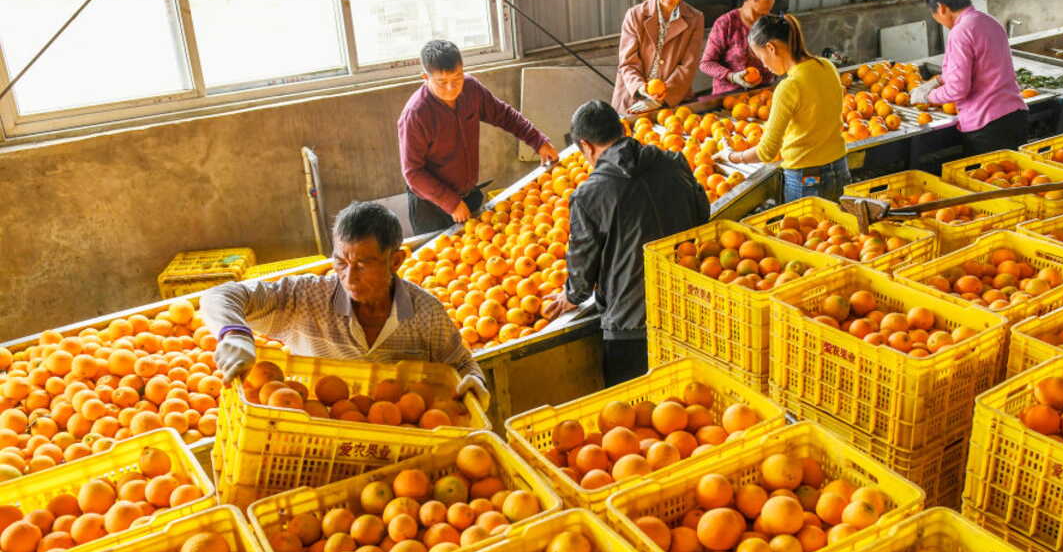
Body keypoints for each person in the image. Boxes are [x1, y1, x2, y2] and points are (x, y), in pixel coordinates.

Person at [200, 201, 488, 406]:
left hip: (398, 438)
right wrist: (234, 334)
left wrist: (474, 383)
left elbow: (461, 364)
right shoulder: (306, 298)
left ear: (396, 261)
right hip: (315, 437)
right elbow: (219, 296)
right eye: (340, 262)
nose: (349, 278)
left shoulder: (426, 313)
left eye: (363, 264)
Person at [543, 100, 708, 386]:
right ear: (623, 129)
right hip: (691, 306)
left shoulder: (589, 194)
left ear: (586, 146)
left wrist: (571, 296)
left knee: (634, 407)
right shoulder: (674, 162)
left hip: (632, 323)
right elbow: (702, 214)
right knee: (690, 398)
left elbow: (583, 259)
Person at [398, 39, 559, 234]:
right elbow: (413, 172)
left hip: (467, 194)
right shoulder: (416, 115)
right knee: (445, 251)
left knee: (478, 245)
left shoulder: (471, 89)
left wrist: (538, 141)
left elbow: (504, 115)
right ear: (425, 77)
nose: (451, 88)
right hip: (431, 206)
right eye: (442, 82)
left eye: (457, 77)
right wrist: (451, 202)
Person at [719, 14, 849, 201]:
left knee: (805, 222)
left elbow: (766, 152)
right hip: (840, 168)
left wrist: (732, 156)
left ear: (771, 48)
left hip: (807, 179)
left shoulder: (789, 87)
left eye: (761, 57)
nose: (764, 66)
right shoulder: (827, 66)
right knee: (837, 220)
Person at [910, 0, 1028, 153]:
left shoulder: (960, 32)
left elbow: (958, 89)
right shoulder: (990, 22)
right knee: (1012, 170)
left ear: (941, 8)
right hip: (1015, 116)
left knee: (986, 172)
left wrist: (927, 97)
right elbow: (982, 68)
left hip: (987, 127)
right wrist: (937, 81)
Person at [613, 0, 705, 115]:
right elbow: (628, 63)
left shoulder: (695, 19)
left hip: (673, 99)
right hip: (633, 98)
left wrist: (662, 97)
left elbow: (688, 66)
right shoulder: (635, 15)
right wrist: (641, 89)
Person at [700, 0, 779, 96]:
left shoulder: (772, 23)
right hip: (729, 97)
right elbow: (706, 64)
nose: (772, 3)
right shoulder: (726, 23)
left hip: (763, 96)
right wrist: (732, 76)